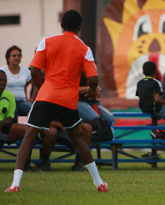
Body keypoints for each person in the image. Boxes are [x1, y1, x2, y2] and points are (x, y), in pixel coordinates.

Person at [5, 10, 108, 193]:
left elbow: (34, 70)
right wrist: (92, 91)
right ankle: (99, 182)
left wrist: (42, 87)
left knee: (29, 136)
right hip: (67, 100)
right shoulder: (84, 48)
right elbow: (93, 80)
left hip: (46, 96)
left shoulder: (46, 41)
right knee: (77, 139)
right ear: (79, 27)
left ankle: (15, 185)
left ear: (61, 25)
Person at [136, 61, 165, 126]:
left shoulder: (139, 83)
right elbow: (157, 99)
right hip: (154, 109)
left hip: (143, 108)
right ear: (155, 71)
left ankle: (154, 123)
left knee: (152, 103)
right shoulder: (156, 82)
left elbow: (142, 96)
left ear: (143, 71)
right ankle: (162, 132)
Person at [1, 45, 32, 118]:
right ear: (8, 58)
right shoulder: (2, 71)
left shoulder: (26, 71)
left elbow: (31, 82)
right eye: (14, 56)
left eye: (19, 55)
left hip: (22, 101)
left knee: (33, 111)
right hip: (8, 101)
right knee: (13, 115)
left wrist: (30, 97)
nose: (17, 57)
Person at [0, 70, 26, 145]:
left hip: (3, 127)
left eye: (4, 80)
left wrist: (1, 124)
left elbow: (10, 118)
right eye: (0, 80)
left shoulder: (10, 96)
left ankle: (40, 134)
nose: (3, 83)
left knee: (19, 128)